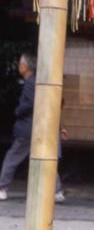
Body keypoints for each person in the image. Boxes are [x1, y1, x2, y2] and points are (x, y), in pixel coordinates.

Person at [0, 53, 64, 202]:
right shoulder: (39, 82)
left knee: (12, 157)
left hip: (28, 128)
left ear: (24, 66)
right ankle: (57, 191)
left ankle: (2, 188)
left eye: (20, 64)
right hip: (42, 127)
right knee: (46, 159)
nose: (18, 66)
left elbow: (30, 103)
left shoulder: (29, 83)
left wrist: (17, 110)